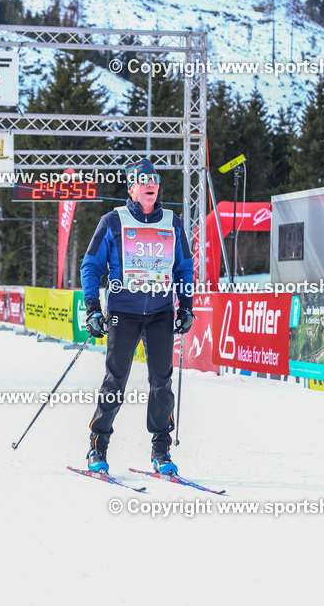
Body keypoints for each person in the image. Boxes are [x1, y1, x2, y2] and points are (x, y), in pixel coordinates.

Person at [80, 158, 195, 474]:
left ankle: (162, 451)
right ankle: (98, 446)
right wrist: (93, 308)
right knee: (115, 379)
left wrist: (186, 305)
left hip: (160, 313)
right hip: (123, 313)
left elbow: (184, 267)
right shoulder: (113, 221)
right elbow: (91, 265)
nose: (150, 184)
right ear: (131, 188)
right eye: (143, 179)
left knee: (162, 382)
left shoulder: (173, 222)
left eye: (155, 178)